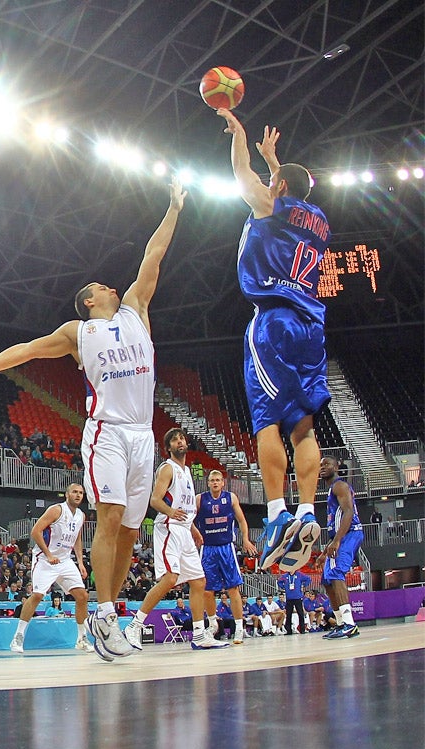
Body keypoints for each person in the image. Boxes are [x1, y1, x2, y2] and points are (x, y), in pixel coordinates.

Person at [0, 179, 187, 661]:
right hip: (107, 432)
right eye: (103, 286)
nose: (112, 285)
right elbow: (28, 349)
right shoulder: (77, 331)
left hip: (143, 435)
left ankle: (111, 616)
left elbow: (154, 255)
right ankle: (104, 614)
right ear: (89, 301)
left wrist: (173, 207)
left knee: (130, 530)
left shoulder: (136, 311)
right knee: (107, 520)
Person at [218, 109, 331, 573]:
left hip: (274, 322)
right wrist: (277, 162)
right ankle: (307, 510)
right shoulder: (318, 219)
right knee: (303, 424)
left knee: (266, 420)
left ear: (279, 188)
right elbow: (284, 190)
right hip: (312, 327)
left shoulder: (270, 204)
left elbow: (242, 177)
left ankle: (277, 513)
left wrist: (240, 136)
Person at [125, 429, 228, 651]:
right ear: (168, 448)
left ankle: (200, 635)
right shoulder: (167, 468)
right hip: (169, 528)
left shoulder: (187, 470)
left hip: (184, 529)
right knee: (170, 579)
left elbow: (184, 507)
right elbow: (155, 500)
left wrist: (193, 528)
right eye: (174, 439)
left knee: (199, 581)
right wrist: (171, 513)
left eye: (181, 438)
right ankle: (135, 625)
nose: (179, 441)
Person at [9, 484, 92, 656]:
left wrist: (81, 562)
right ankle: (18, 636)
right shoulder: (56, 510)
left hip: (65, 560)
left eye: (80, 493)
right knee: (38, 595)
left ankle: (82, 638)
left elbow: (77, 539)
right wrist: (48, 554)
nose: (78, 495)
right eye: (74, 492)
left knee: (82, 596)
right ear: (67, 494)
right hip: (45, 559)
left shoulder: (81, 516)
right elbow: (35, 531)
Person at [195, 469, 256, 645]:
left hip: (226, 547)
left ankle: (239, 628)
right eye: (212, 480)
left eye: (218, 480)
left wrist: (245, 539)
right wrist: (195, 533)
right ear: (208, 483)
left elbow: (242, 520)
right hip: (207, 548)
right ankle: (213, 623)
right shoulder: (200, 499)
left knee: (233, 588)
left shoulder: (231, 498)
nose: (215, 482)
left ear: (223, 482)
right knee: (207, 590)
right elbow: (189, 518)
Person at [317, 455, 364, 639]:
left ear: (336, 466)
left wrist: (337, 541)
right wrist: (324, 552)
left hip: (349, 533)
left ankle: (349, 624)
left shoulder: (339, 485)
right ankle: (341, 623)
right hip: (340, 535)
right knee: (327, 580)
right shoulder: (332, 489)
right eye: (320, 465)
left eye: (326, 464)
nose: (322, 467)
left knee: (336, 574)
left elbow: (349, 512)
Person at [278, 569, 311, 634]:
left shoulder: (299, 574)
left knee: (300, 614)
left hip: (297, 597)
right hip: (289, 598)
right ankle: (288, 630)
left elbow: (308, 579)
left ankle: (302, 629)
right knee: (289, 614)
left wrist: (304, 585)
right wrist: (283, 587)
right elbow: (279, 581)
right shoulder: (285, 576)